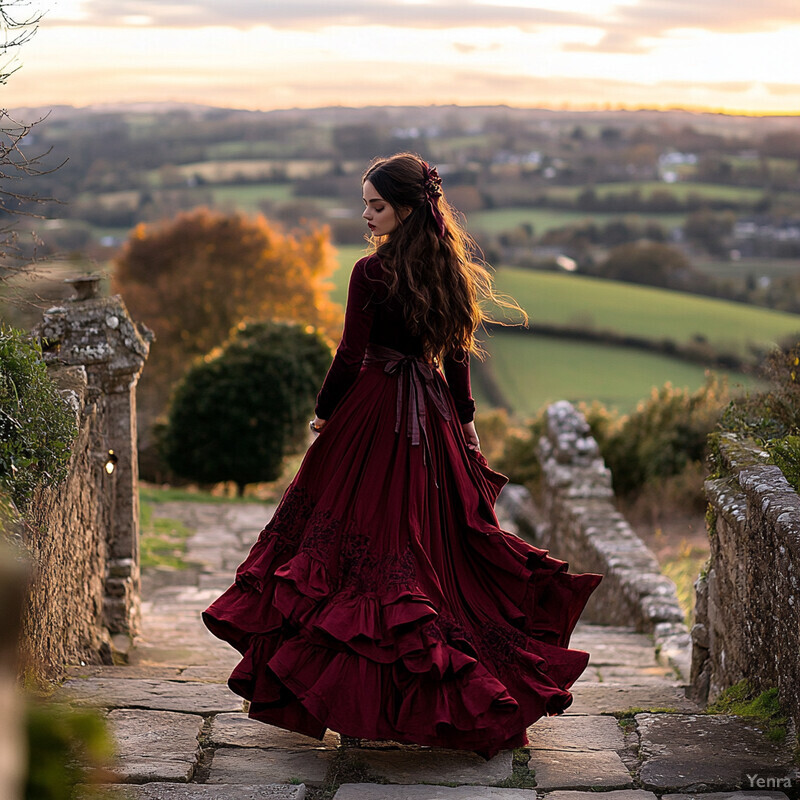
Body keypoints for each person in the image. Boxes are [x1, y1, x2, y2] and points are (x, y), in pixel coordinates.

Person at [202, 152, 602, 761]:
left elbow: (350, 355)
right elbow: (457, 362)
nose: (365, 215)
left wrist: (324, 413)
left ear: (407, 209)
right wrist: (465, 428)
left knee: (354, 550)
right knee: (429, 549)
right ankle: (397, 698)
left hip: (373, 414)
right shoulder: (451, 272)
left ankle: (356, 702)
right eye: (365, 203)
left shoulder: (370, 273)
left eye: (376, 205)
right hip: (432, 415)